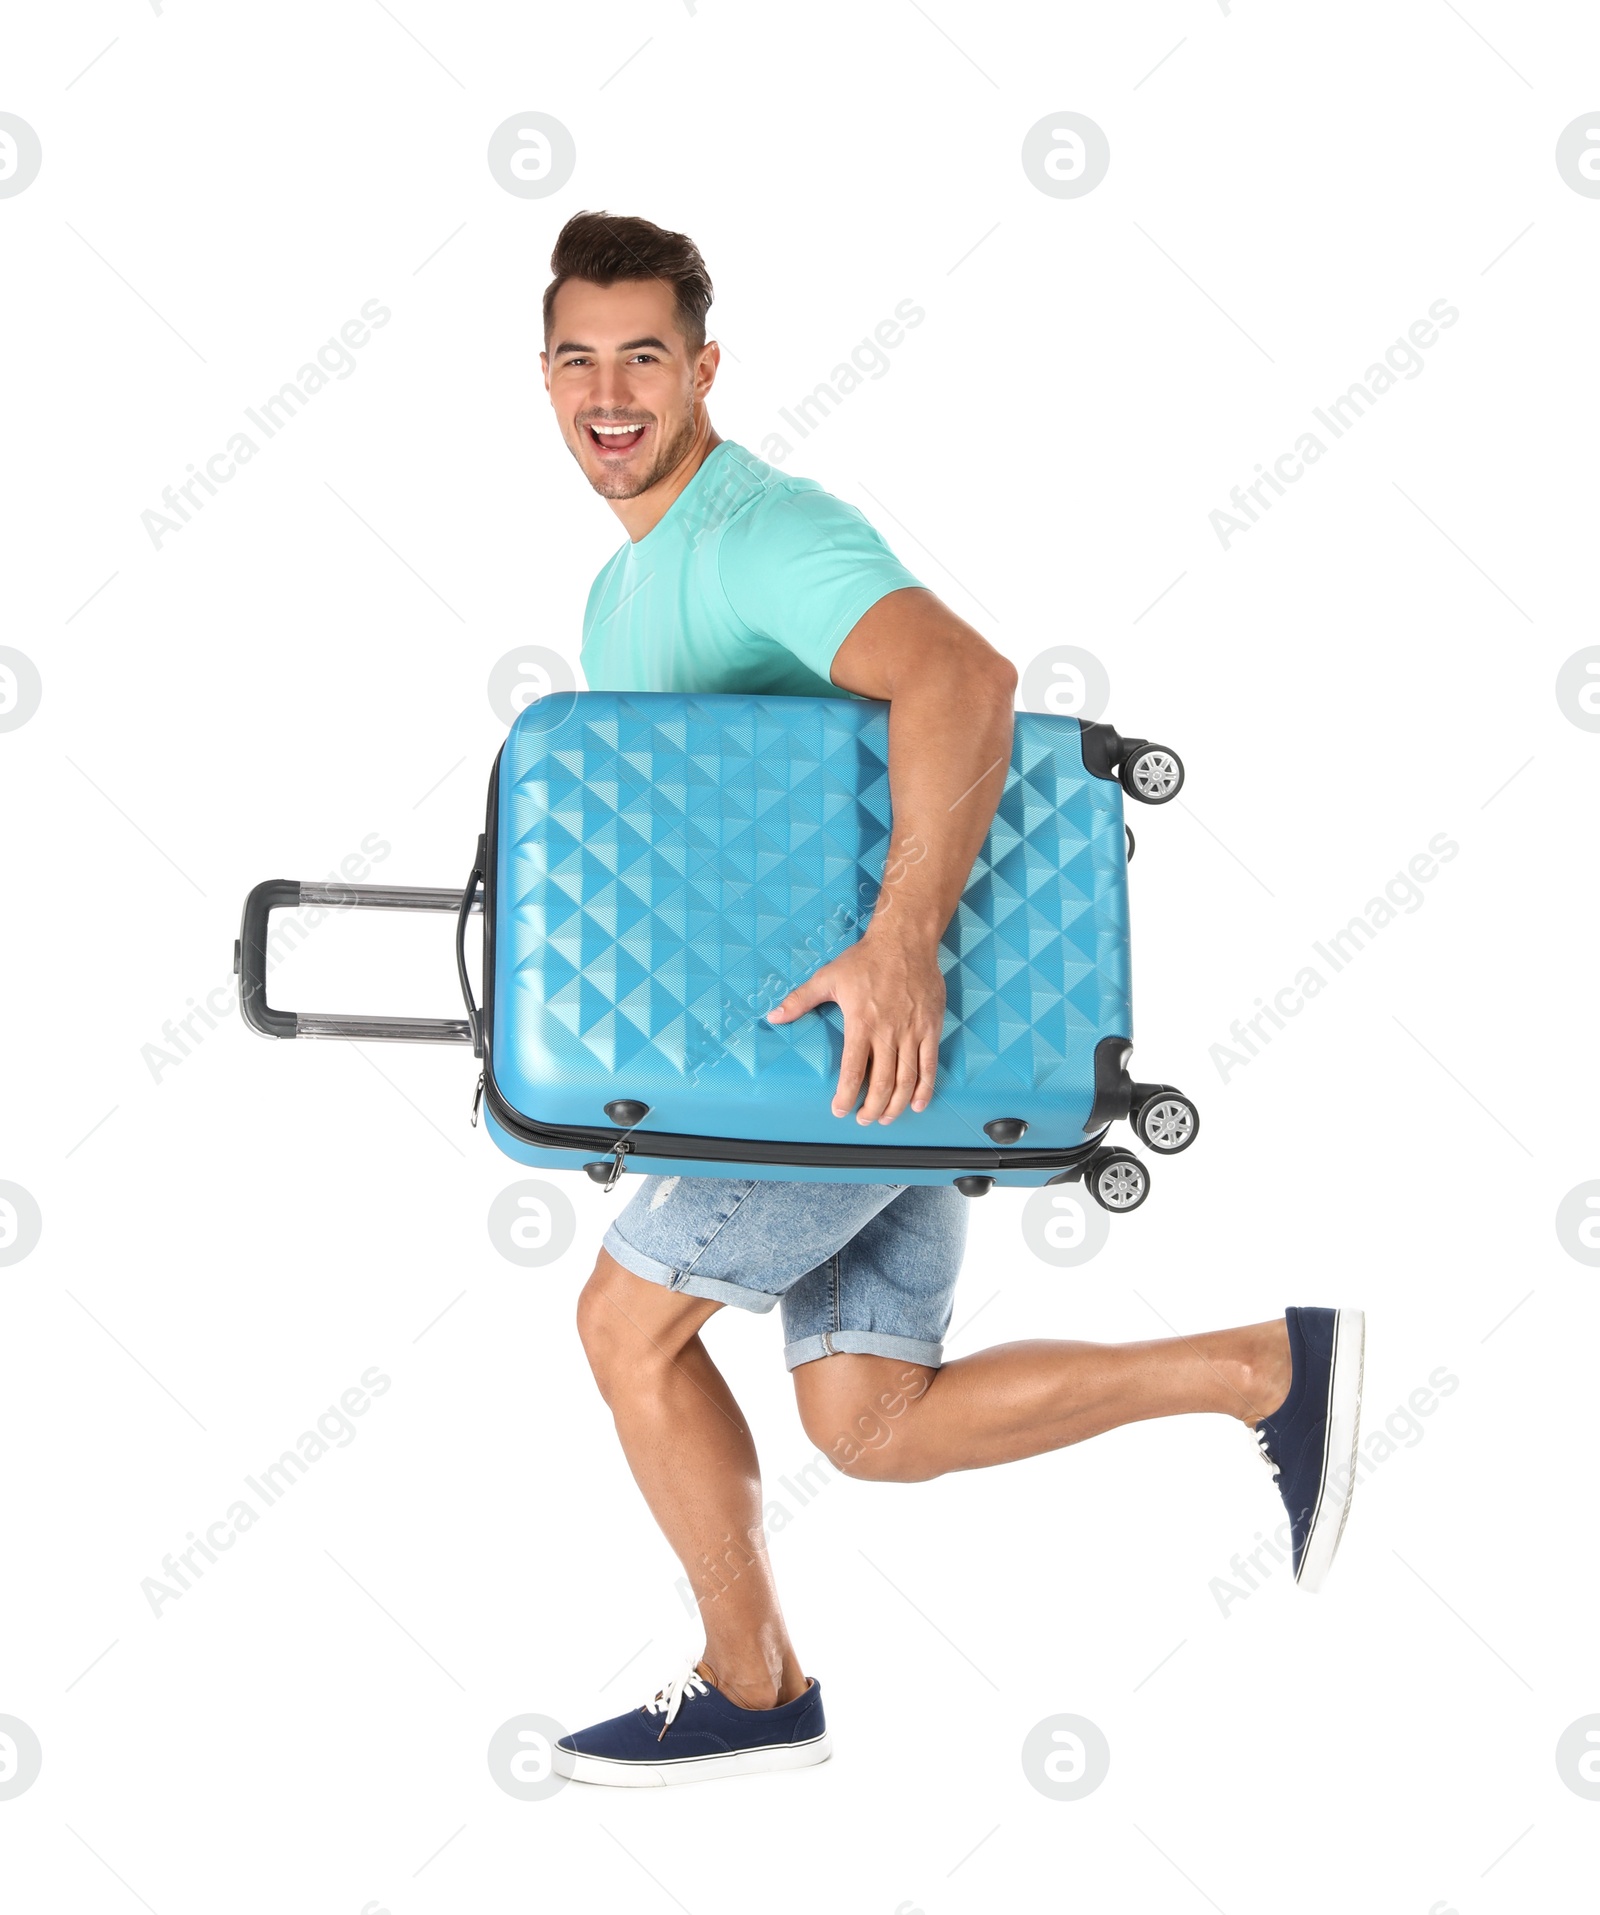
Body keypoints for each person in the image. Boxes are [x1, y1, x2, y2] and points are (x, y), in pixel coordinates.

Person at [538, 211, 1364, 1787]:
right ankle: (1269, 1364)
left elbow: (965, 679)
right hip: (834, 1058)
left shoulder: (756, 532)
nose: (610, 390)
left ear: (705, 369)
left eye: (644, 353)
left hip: (857, 1042)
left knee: (625, 1327)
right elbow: (689, 859)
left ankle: (756, 1688)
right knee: (871, 1419)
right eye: (576, 357)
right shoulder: (619, 593)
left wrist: (903, 938)